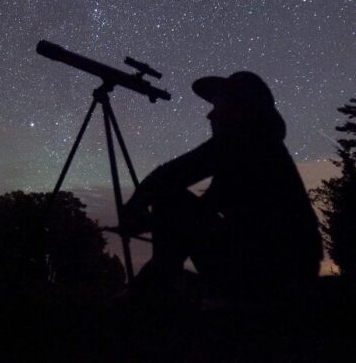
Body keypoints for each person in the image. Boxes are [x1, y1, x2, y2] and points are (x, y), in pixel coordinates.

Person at [122, 71, 322, 303]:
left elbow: (171, 175)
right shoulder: (260, 147)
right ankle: (158, 286)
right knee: (175, 210)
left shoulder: (242, 140)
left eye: (219, 105)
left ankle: (153, 293)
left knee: (170, 201)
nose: (211, 114)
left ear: (240, 107)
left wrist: (134, 208)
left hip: (275, 270)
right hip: (285, 267)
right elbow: (203, 210)